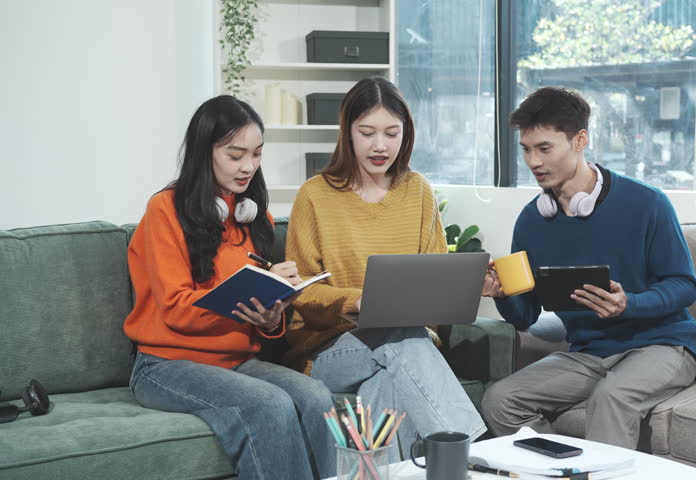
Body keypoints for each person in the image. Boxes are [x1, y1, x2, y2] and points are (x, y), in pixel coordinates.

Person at [481, 87, 696, 449]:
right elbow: (524, 317)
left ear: (579, 139)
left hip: (661, 346)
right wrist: (503, 294)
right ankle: (564, 473)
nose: (533, 161)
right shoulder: (531, 221)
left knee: (611, 397)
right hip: (587, 353)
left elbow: (683, 285)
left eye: (544, 148)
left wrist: (629, 303)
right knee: (500, 399)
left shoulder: (647, 203)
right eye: (525, 149)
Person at [124, 95, 336, 479]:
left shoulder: (253, 215)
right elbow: (174, 309)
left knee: (316, 397)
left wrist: (272, 316)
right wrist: (233, 295)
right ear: (205, 152)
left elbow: (260, 322)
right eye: (235, 155)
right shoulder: (164, 210)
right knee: (269, 404)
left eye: (256, 154)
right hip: (165, 365)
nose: (248, 167)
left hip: (237, 362)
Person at [280, 76, 486, 457]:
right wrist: (359, 302)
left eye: (392, 133)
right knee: (397, 335)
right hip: (327, 351)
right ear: (348, 133)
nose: (380, 145)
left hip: (407, 345)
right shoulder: (316, 195)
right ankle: (469, 455)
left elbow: (436, 282)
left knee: (387, 385)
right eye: (367, 132)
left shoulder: (418, 190)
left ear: (405, 134)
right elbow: (302, 294)